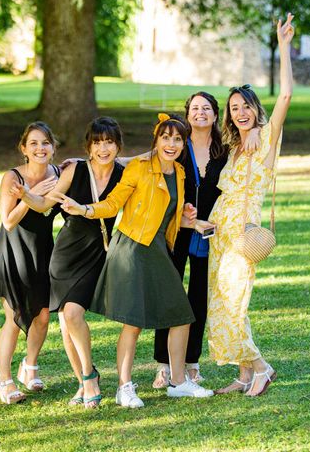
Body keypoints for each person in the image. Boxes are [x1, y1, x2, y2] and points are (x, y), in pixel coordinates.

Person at [52, 114, 215, 408]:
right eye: (165, 138)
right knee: (134, 323)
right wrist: (84, 209)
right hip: (132, 248)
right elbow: (113, 203)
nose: (172, 144)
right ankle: (124, 387)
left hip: (157, 248)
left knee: (181, 315)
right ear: (156, 141)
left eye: (178, 139)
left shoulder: (178, 172)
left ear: (183, 143)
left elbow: (170, 218)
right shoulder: (139, 168)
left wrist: (195, 222)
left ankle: (178, 382)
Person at [207, 13, 294, 397]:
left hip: (242, 235)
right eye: (234, 108)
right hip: (218, 233)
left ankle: (260, 367)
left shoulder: (266, 138)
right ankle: (244, 374)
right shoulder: (237, 147)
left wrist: (284, 47)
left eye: (245, 106)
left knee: (233, 302)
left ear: (256, 108)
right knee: (219, 300)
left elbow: (287, 96)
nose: (240, 112)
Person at [11, 117, 124, 409]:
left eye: (109, 142)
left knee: (73, 314)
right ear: (88, 146)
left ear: (117, 145)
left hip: (98, 253)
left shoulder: (124, 173)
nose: (103, 148)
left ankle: (89, 377)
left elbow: (146, 158)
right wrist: (25, 195)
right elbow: (44, 204)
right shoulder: (75, 170)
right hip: (66, 254)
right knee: (65, 322)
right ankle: (84, 381)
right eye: (97, 142)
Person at [152, 93, 261, 388]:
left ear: (215, 115)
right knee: (170, 294)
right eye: (195, 108)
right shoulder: (177, 144)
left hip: (211, 232)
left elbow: (255, 136)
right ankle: (164, 364)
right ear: (187, 114)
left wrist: (255, 130)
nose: (200, 113)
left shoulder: (224, 148)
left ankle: (192, 363)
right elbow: (146, 160)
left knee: (199, 296)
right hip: (177, 227)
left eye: (207, 108)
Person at [0, 121, 60, 405]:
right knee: (14, 317)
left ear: (53, 147)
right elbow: (8, 222)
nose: (40, 148)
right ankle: (4, 379)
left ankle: (30, 366)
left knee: (44, 315)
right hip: (12, 250)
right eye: (33, 143)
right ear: (23, 148)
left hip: (43, 251)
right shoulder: (12, 177)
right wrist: (26, 196)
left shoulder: (60, 173)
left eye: (45, 143)